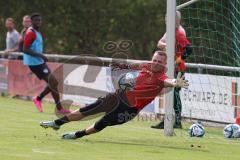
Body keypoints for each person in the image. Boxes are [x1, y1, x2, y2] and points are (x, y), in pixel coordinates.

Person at [40, 50, 189, 140]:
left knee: (101, 124)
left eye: (159, 61)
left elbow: (170, 81)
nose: (155, 63)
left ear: (164, 64)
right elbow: (133, 65)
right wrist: (122, 65)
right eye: (154, 59)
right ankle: (57, 123)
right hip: (118, 96)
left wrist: (176, 82)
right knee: (88, 109)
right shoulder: (147, 65)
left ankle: (77, 135)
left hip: (129, 109)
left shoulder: (161, 77)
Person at [151, 11, 192, 129]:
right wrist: (165, 46)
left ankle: (177, 122)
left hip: (178, 68)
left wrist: (177, 61)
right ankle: (166, 121)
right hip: (170, 67)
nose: (166, 20)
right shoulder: (171, 31)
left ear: (176, 20)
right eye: (166, 18)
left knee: (175, 94)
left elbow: (189, 50)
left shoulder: (179, 32)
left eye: (168, 18)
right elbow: (159, 43)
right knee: (169, 93)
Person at [23, 13, 70, 114]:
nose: (38, 22)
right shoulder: (30, 32)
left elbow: (35, 47)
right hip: (35, 64)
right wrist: (41, 56)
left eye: (40, 20)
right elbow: (25, 50)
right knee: (53, 82)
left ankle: (39, 99)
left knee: (54, 82)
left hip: (39, 62)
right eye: (36, 20)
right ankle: (59, 108)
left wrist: (41, 56)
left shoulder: (37, 32)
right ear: (31, 22)